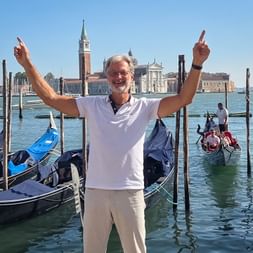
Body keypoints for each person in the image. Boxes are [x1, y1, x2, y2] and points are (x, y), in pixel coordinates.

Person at [14, 30, 210, 253]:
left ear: (132, 75)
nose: (118, 77)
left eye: (123, 73)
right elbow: (51, 98)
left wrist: (197, 64)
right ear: (107, 77)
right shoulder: (92, 104)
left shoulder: (145, 107)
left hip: (131, 192)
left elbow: (184, 98)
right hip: (96, 192)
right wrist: (27, 64)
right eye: (113, 73)